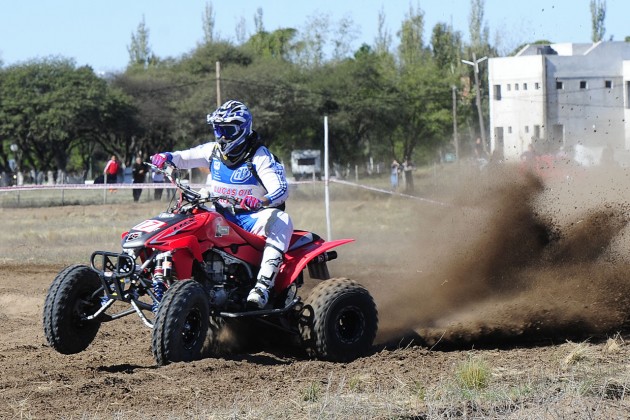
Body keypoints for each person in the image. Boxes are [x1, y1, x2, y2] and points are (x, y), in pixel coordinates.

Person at [151, 100, 293, 309]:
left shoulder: (260, 156)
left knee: (282, 220)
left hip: (250, 218)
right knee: (187, 207)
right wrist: (167, 157)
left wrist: (262, 200)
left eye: (227, 130)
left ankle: (262, 287)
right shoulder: (213, 150)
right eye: (218, 129)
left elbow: (282, 190)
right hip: (216, 212)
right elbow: (184, 157)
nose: (222, 136)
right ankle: (161, 269)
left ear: (243, 129)